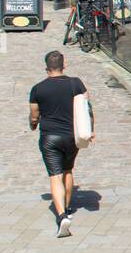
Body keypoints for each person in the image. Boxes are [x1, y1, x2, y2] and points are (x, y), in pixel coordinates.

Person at [29, 50, 91, 238]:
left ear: (47, 69)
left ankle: (61, 215)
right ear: (64, 65)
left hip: (50, 137)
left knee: (55, 176)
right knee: (68, 170)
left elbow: (34, 116)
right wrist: (90, 130)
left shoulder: (38, 89)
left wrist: (33, 125)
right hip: (72, 136)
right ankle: (68, 206)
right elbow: (86, 107)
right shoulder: (76, 83)